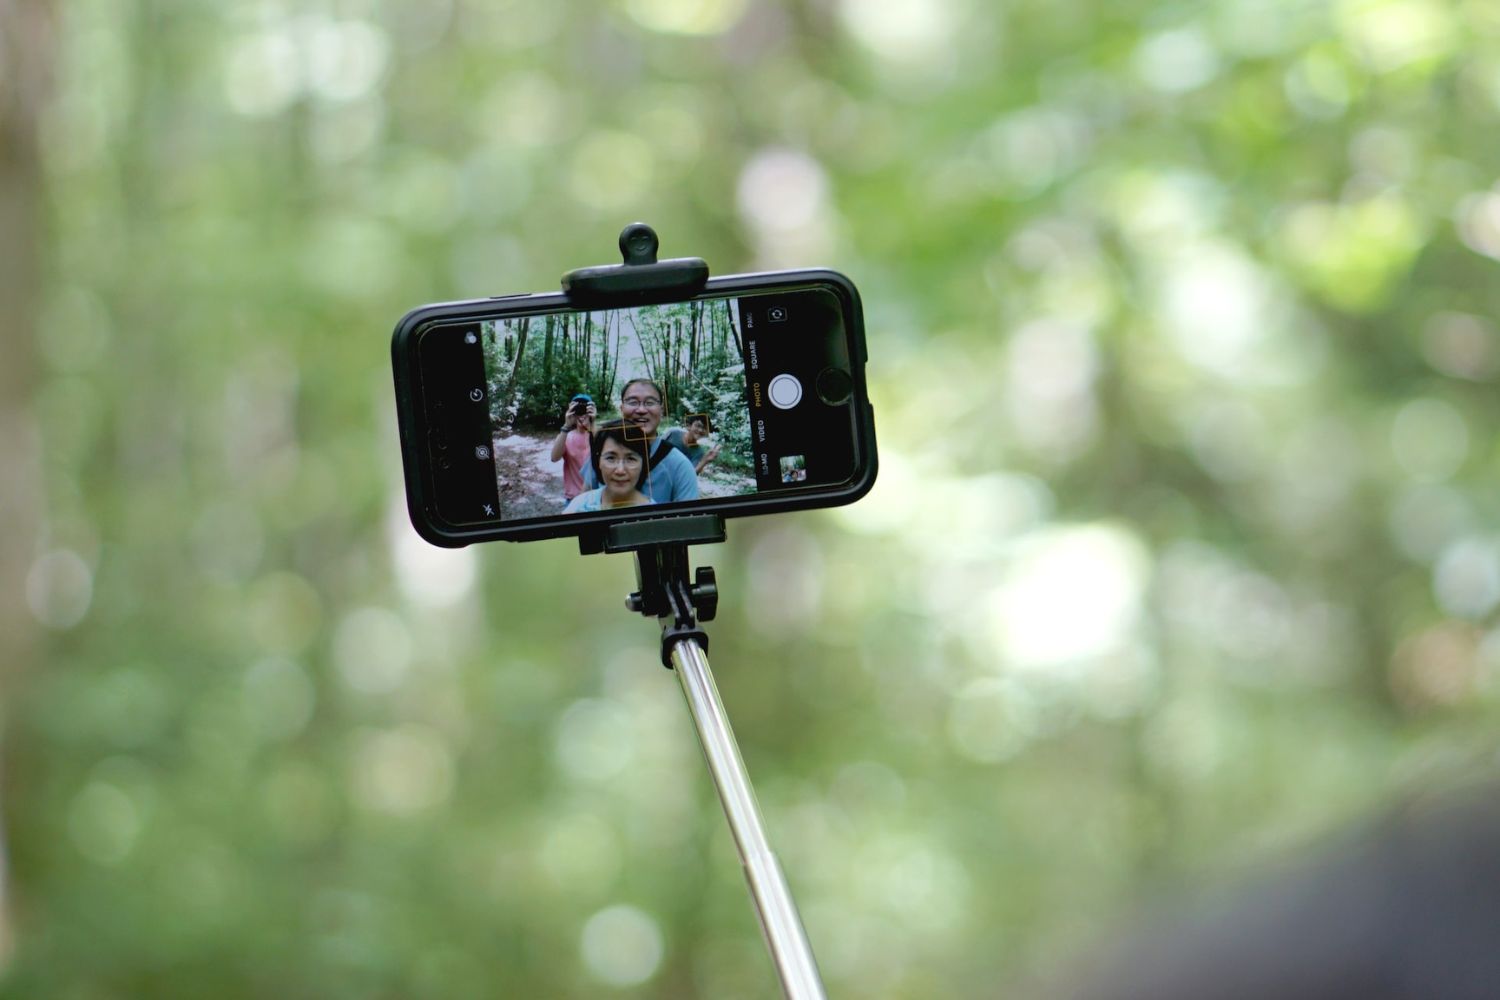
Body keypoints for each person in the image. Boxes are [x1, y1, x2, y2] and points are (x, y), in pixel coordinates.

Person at [582, 378, 698, 503]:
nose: (641, 410)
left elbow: (688, 520)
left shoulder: (679, 466)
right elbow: (586, 501)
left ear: (662, 410)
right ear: (621, 409)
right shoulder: (604, 452)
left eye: (650, 403)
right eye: (633, 402)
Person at [563, 421, 656, 513]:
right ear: (598, 461)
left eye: (631, 459)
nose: (620, 470)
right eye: (611, 458)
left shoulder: (653, 515)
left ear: (643, 463)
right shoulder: (579, 506)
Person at [548, 393, 595, 506]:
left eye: (585, 410)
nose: (581, 414)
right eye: (577, 410)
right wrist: (566, 425)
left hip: (596, 497)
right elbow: (554, 458)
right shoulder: (566, 436)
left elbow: (601, 451)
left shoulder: (598, 434)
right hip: (573, 499)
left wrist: (593, 422)